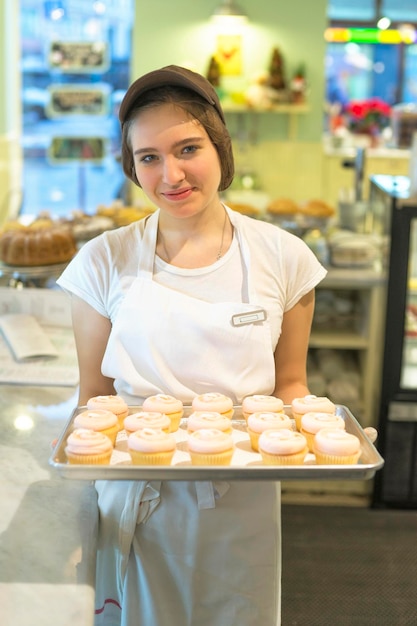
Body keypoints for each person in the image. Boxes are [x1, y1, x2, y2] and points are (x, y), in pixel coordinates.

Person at [57, 64, 327, 626]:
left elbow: (290, 384)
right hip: (135, 499)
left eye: (187, 148)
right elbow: (94, 400)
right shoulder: (102, 262)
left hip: (242, 497)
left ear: (220, 149)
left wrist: (319, 435)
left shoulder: (286, 257)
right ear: (131, 166)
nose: (171, 174)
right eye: (149, 157)